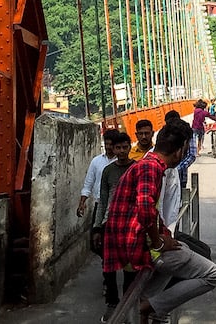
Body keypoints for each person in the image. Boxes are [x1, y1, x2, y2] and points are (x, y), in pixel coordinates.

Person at [103, 120, 216, 324]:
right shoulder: (152, 168)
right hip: (140, 248)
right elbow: (145, 210)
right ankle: (150, 307)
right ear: (181, 149)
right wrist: (158, 242)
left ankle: (151, 308)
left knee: (177, 249)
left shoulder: (146, 164)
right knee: (212, 274)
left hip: (128, 244)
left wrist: (164, 237)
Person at [93, 132, 137, 322]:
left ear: (129, 147)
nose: (121, 151)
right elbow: (102, 200)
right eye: (117, 147)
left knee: (129, 266)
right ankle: (112, 302)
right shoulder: (108, 171)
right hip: (109, 223)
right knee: (108, 266)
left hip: (130, 224)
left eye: (124, 147)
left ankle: (126, 303)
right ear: (113, 148)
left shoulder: (136, 169)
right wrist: (96, 227)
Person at [79, 128, 122, 219]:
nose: (108, 147)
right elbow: (88, 183)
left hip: (118, 206)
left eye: (111, 144)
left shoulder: (122, 162)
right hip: (99, 205)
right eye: (106, 144)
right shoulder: (96, 161)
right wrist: (82, 203)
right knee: (96, 231)